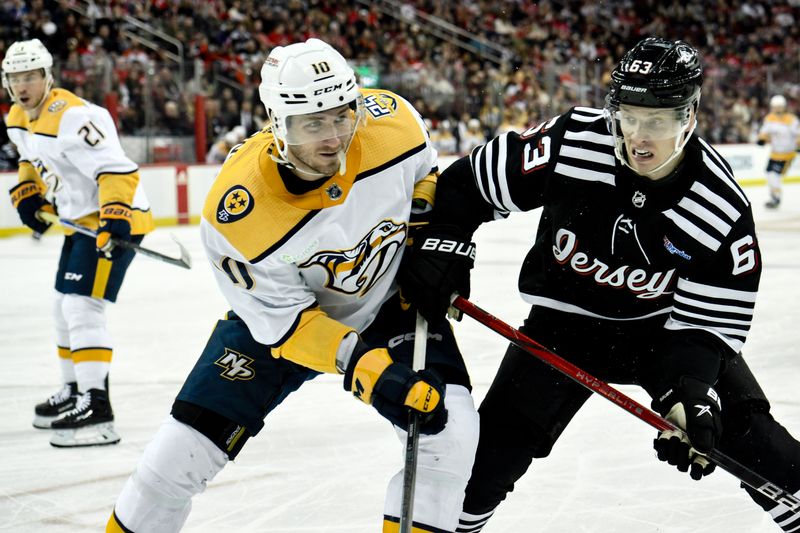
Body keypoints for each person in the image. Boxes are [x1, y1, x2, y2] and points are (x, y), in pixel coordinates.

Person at [400, 37, 800, 532]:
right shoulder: (574, 141)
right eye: (629, 117)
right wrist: (447, 243)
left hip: (661, 331)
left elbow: (708, 324)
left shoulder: (719, 206)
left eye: (658, 121)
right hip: (562, 327)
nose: (638, 137)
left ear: (691, 114)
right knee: (488, 461)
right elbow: (469, 185)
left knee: (752, 442)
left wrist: (689, 390)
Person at [106, 38, 478, 532]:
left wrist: (433, 239)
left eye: (342, 116)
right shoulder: (239, 214)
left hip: (390, 299)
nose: (334, 138)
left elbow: (424, 178)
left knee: (450, 434)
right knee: (171, 466)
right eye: (312, 123)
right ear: (278, 124)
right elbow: (288, 325)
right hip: (283, 326)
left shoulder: (393, 125)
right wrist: (365, 366)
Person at [4, 39, 154, 447]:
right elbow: (29, 160)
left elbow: (117, 170)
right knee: (61, 306)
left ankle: (97, 408)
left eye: (30, 76)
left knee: (81, 305)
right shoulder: (17, 117)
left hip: (112, 220)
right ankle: (74, 390)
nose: (23, 84)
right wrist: (27, 193)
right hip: (79, 222)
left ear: (47, 77)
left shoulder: (73, 116)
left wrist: (115, 219)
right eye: (15, 77)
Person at [757, 94, 800, 208]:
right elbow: (764, 131)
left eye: (779, 106)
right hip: (775, 153)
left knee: (774, 174)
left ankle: (776, 197)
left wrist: (799, 144)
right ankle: (774, 196)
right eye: (775, 107)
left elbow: (798, 133)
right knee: (770, 174)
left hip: (787, 154)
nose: (777, 109)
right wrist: (762, 139)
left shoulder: (791, 120)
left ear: (784, 107)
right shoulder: (769, 118)